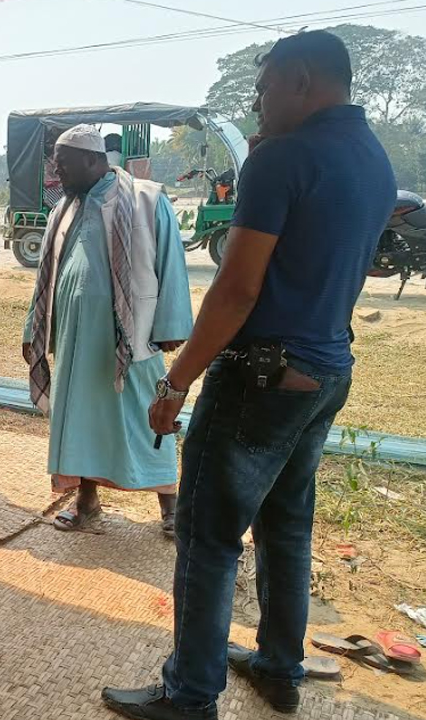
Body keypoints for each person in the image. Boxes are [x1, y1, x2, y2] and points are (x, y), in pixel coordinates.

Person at [103, 31, 396, 720]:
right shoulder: (373, 159)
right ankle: (278, 665)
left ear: (301, 80)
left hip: (261, 378)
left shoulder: (285, 158)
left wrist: (176, 381)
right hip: (326, 370)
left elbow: (235, 291)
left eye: (263, 88)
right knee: (286, 524)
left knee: (208, 534)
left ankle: (190, 694)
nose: (257, 103)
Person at [23, 124, 193, 537]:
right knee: (78, 414)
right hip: (76, 337)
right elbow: (47, 276)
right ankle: (86, 501)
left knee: (146, 414)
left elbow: (171, 263)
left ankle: (171, 508)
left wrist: (170, 324)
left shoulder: (146, 199)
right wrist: (36, 328)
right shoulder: (64, 208)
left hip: (130, 335)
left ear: (92, 160)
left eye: (62, 164)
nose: (56, 171)